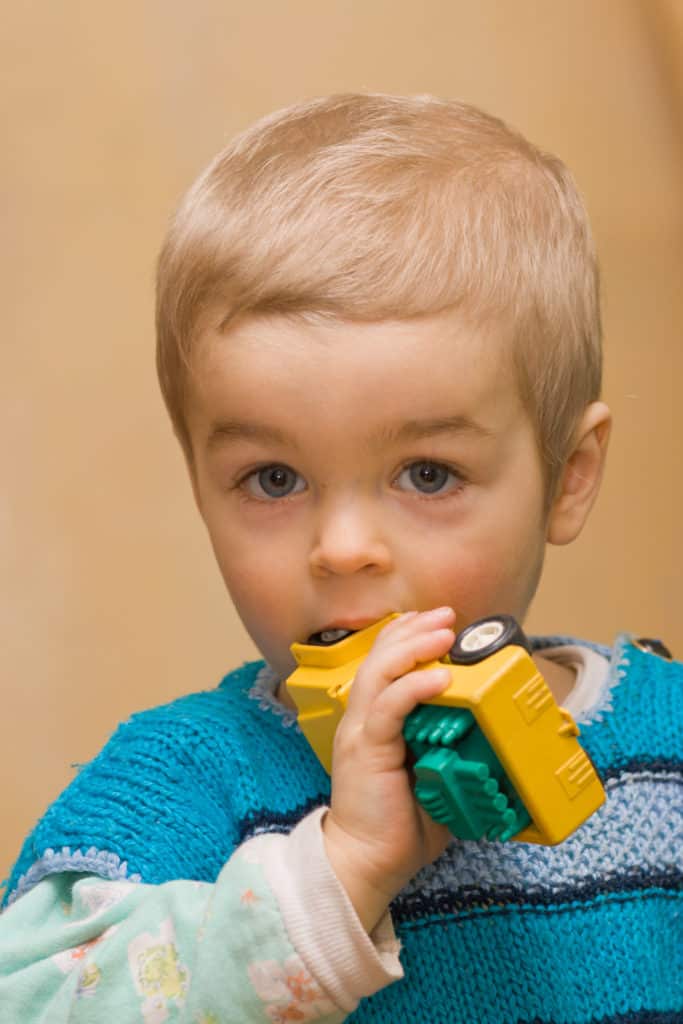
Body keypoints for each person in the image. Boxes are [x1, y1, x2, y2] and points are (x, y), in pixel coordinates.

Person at [0, 93, 680, 1024]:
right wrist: (335, 874)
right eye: (274, 479)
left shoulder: (668, 749)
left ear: (567, 476)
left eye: (427, 473)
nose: (343, 548)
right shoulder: (182, 781)